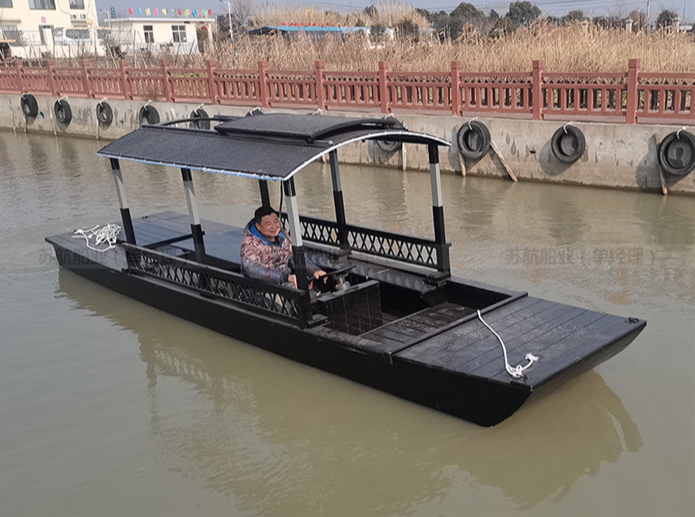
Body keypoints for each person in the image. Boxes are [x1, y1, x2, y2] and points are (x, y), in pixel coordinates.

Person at [240, 205, 325, 288]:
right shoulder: (250, 244)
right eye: (268, 224)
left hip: (285, 281)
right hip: (263, 286)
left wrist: (314, 270)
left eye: (276, 222)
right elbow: (252, 269)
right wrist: (285, 277)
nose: (274, 226)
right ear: (258, 226)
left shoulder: (283, 236)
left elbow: (294, 257)